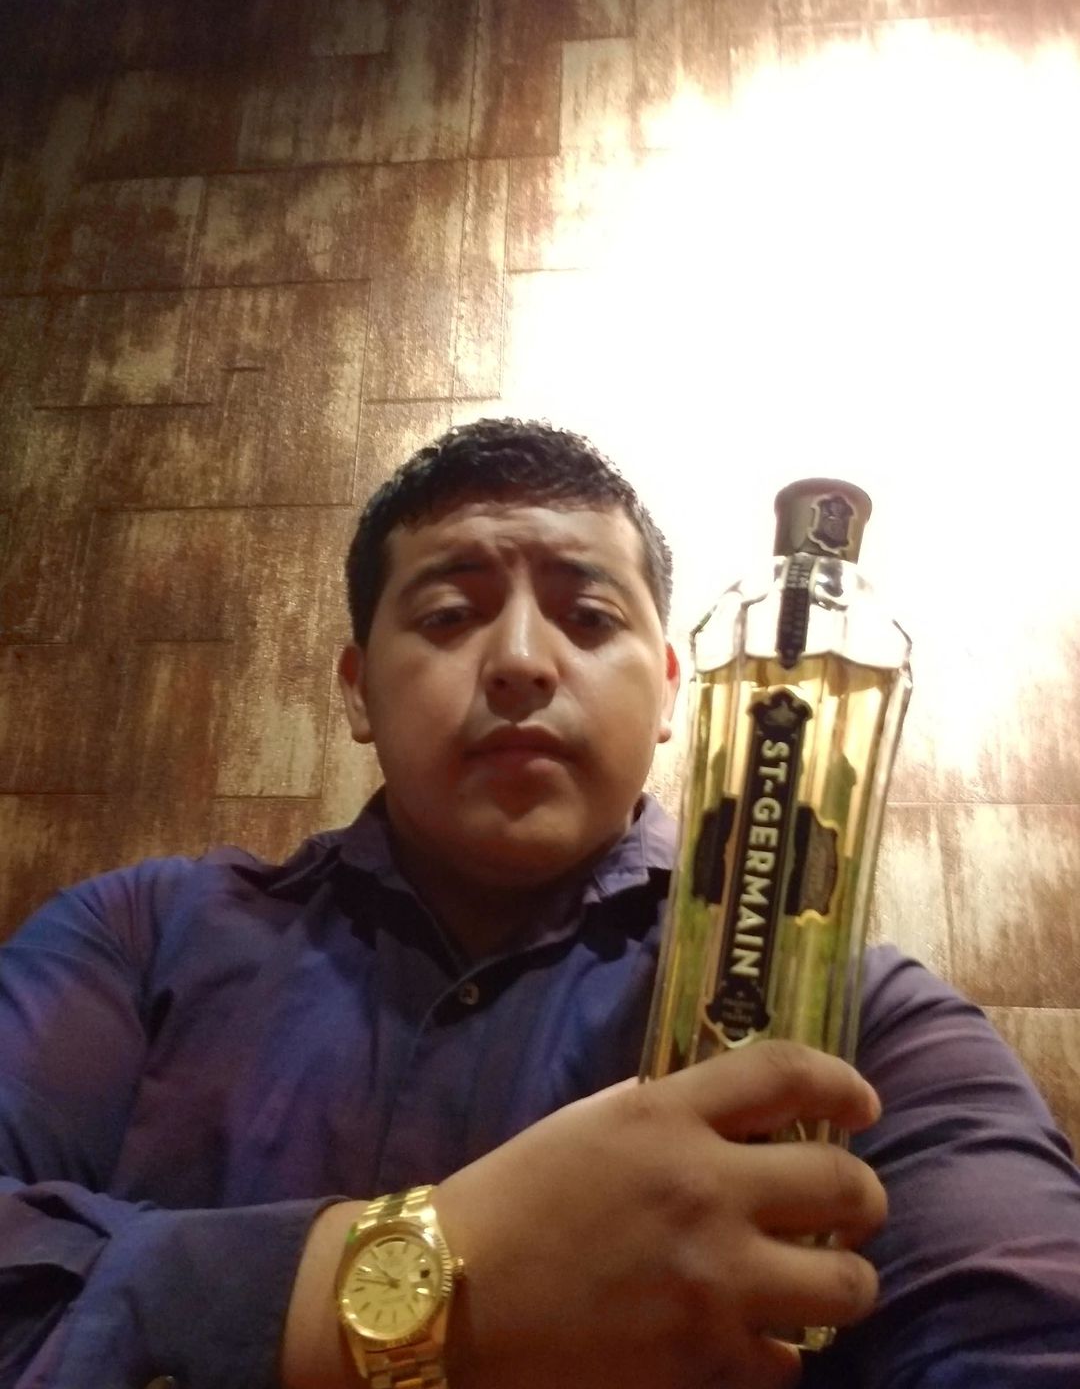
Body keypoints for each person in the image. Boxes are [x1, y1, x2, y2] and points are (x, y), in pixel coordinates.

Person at [1, 418, 1077, 1389]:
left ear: (671, 688)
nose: (520, 661)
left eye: (589, 616)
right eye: (450, 613)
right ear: (357, 689)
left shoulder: (868, 1029)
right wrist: (435, 1278)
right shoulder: (138, 941)